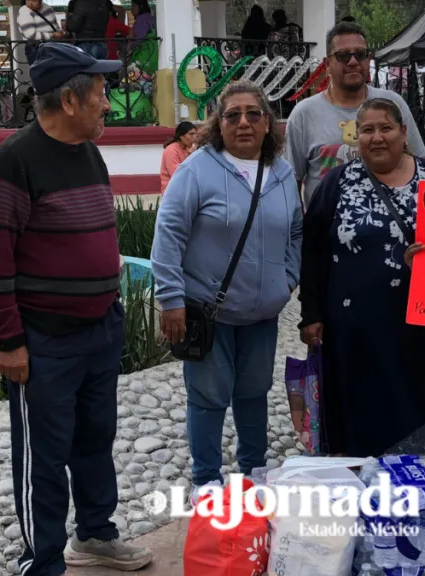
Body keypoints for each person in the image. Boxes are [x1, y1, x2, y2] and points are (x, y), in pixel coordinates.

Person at [0, 43, 153, 575]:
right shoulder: (15, 161)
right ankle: (42, 560)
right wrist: (9, 341)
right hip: (45, 342)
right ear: (70, 101)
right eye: (99, 91)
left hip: (100, 330)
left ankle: (96, 534)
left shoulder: (88, 151)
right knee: (44, 458)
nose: (107, 101)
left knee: (96, 441)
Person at [151, 81, 301, 498]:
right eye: (232, 114)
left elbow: (296, 231)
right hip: (207, 310)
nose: (244, 122)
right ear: (219, 123)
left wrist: (287, 279)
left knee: (254, 392)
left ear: (268, 122)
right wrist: (171, 299)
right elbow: (168, 235)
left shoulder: (283, 173)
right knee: (209, 396)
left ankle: (254, 468)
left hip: (262, 313)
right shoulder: (197, 169)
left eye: (254, 113)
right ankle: (206, 478)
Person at [298, 98, 425, 457]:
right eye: (367, 130)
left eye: (385, 128)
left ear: (403, 133)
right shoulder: (337, 182)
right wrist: (312, 313)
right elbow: (314, 248)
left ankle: (422, 489)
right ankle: (362, 491)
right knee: (359, 419)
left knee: (419, 414)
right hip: (352, 333)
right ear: (358, 138)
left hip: (418, 329)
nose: (377, 137)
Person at [284, 21, 425, 207]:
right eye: (343, 56)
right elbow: (290, 184)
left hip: (391, 228)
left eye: (360, 54)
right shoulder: (304, 114)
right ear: (327, 64)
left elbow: (421, 167)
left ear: (368, 59)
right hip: (327, 231)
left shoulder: (393, 104)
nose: (353, 62)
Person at [19, 0, 64, 64]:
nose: (30, 4)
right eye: (28, 0)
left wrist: (59, 32)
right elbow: (30, 34)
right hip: (35, 48)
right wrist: (52, 35)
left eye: (34, 1)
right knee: (40, 71)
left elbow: (54, 25)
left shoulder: (48, 8)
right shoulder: (24, 11)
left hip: (52, 46)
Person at [159, 121, 197, 192]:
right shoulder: (171, 150)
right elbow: (177, 175)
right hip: (172, 191)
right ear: (181, 136)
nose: (194, 137)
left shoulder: (189, 149)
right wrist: (190, 157)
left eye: (195, 134)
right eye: (191, 134)